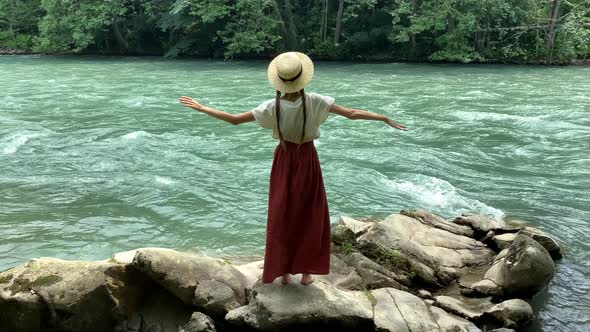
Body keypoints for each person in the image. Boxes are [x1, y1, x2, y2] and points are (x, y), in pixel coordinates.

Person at [180, 52, 406, 285]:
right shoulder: (316, 101)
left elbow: (234, 119)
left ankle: (284, 271)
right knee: (310, 213)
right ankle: (307, 273)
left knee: (282, 213)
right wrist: (383, 117)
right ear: (302, 78)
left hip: (284, 161)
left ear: (279, 80)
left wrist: (203, 108)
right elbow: (352, 114)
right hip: (307, 159)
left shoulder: (271, 107)